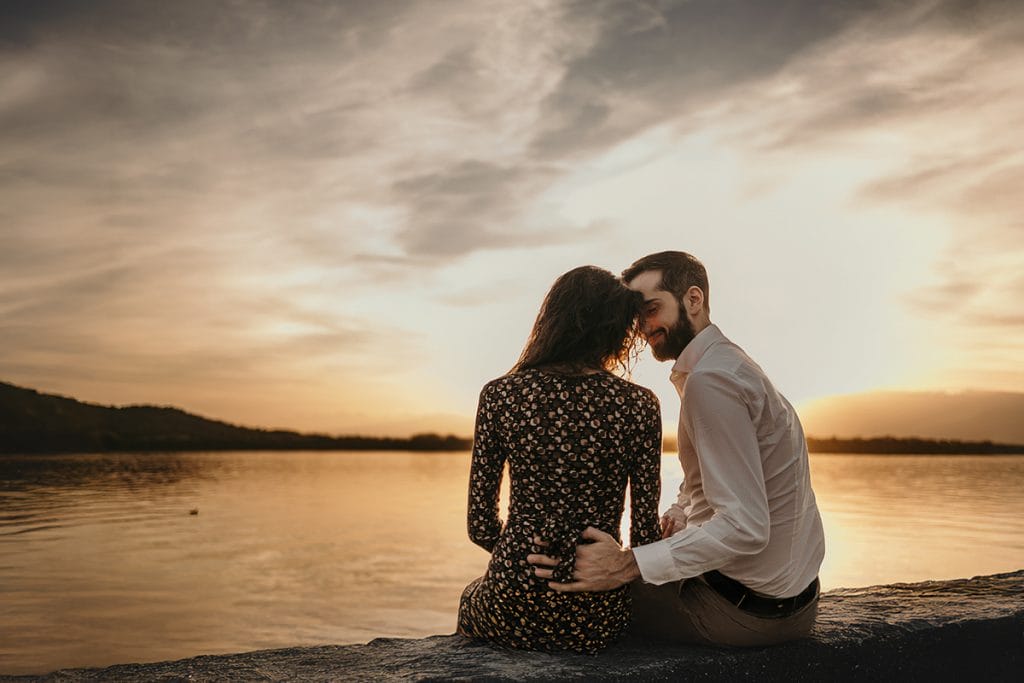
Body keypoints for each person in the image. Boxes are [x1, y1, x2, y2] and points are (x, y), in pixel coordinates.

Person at [528, 251, 826, 647]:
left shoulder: (712, 382)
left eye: (651, 309)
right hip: (796, 606)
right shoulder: (730, 365)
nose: (642, 327)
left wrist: (625, 565)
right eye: (636, 316)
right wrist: (680, 512)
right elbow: (708, 478)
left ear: (694, 300)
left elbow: (746, 527)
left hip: (743, 616)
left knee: (553, 598)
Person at [457, 265, 663, 654]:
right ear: (616, 328)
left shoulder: (500, 396)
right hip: (597, 609)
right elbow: (645, 538)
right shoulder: (639, 405)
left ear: (552, 319)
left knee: (471, 595)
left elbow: (480, 526)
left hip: (513, 598)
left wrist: (525, 555)